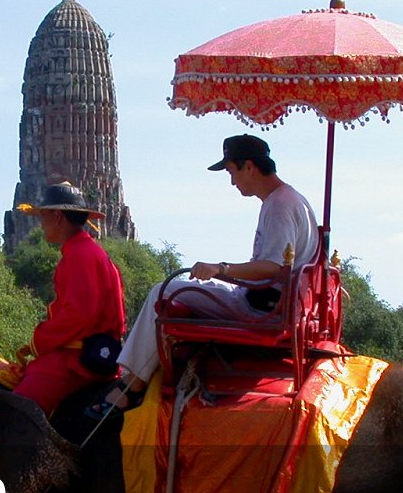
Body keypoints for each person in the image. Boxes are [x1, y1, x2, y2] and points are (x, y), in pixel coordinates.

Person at [88, 134, 319, 417]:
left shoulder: (280, 205)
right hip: (272, 299)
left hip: (262, 307)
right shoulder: (291, 199)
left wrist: (220, 269)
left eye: (232, 172)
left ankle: (132, 383)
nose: (233, 182)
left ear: (249, 167)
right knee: (185, 286)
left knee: (166, 289)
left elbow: (273, 268)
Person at [13, 181, 127, 416]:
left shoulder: (81, 255)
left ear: (56, 216)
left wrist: (39, 339)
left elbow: (78, 316)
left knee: (15, 413)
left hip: (79, 362)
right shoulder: (84, 251)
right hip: (82, 353)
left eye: (42, 216)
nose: (40, 224)